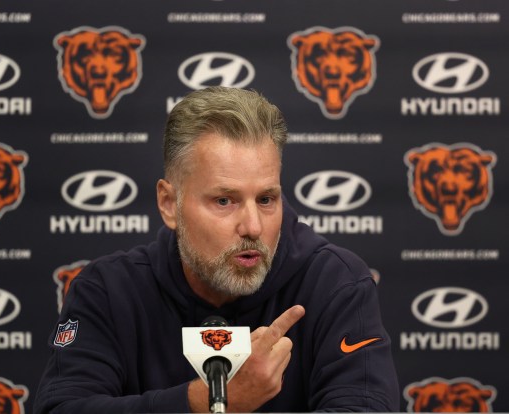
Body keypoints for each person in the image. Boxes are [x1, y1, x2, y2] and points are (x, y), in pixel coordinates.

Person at [34, 86, 399, 413]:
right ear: (168, 203)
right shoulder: (108, 290)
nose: (253, 227)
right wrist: (205, 400)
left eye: (267, 199)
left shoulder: (335, 283)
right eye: (225, 200)